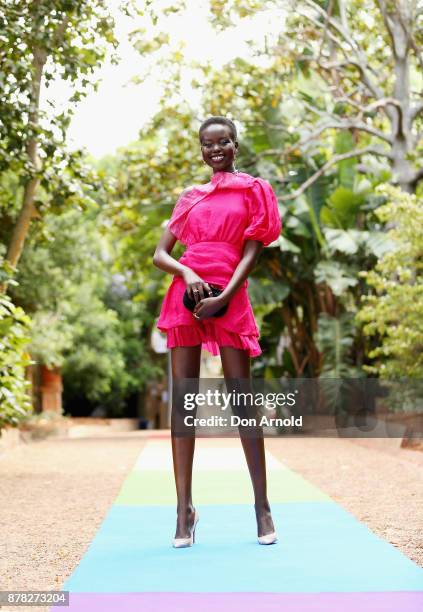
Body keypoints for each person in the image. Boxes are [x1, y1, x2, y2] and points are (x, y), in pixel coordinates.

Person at [152, 116, 282, 548]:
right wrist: (187, 272)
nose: (216, 150)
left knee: (242, 400)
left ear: (235, 145)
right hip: (186, 298)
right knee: (183, 403)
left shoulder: (253, 190)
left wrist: (225, 296)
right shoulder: (190, 197)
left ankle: (262, 507)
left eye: (223, 142)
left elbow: (253, 250)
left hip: (230, 292)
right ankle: (182, 511)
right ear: (201, 150)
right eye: (208, 145)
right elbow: (160, 255)